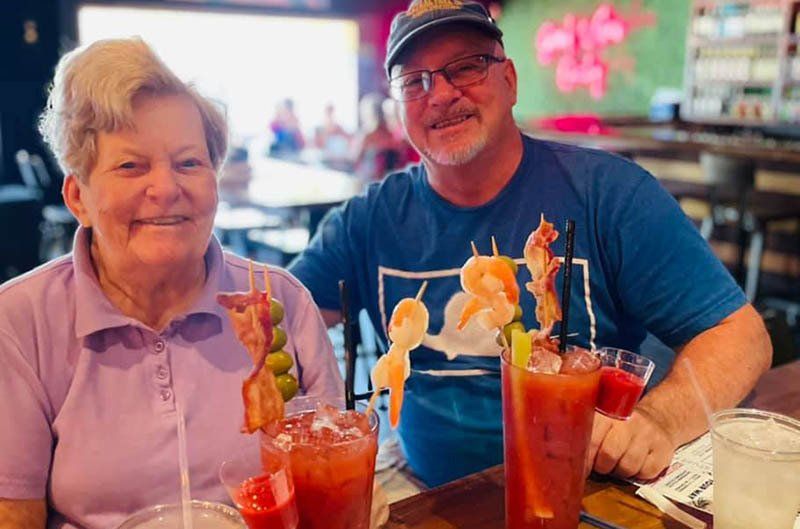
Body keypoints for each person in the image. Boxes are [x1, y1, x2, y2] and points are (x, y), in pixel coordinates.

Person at [289, 0, 772, 488]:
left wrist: (660, 422)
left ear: (510, 80)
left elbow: (740, 335)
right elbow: (280, 322)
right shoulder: (368, 219)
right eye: (415, 81)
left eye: (467, 67)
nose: (440, 94)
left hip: (585, 492)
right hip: (425, 492)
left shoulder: (608, 193)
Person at [0, 38, 342, 529]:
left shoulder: (280, 300)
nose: (166, 189)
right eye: (130, 166)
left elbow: (327, 485)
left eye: (188, 163)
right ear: (79, 197)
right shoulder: (19, 322)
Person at [352, 93, 406, 185]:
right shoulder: (390, 134)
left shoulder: (367, 136)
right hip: (391, 182)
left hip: (369, 182)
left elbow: (355, 159)